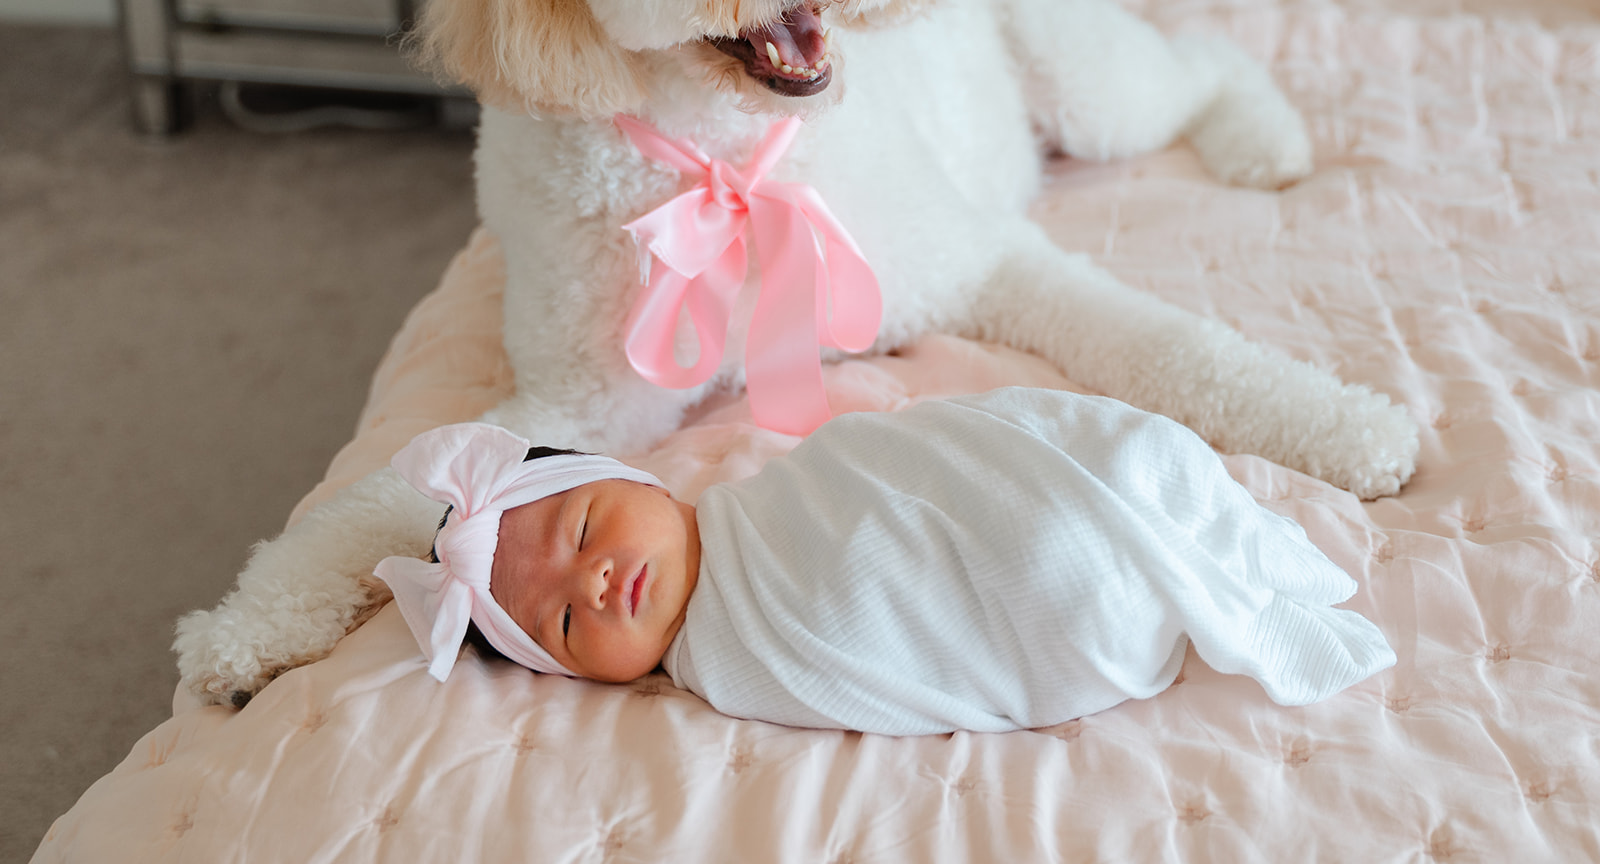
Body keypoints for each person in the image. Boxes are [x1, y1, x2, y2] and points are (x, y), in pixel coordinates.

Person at [375, 388, 1394, 736]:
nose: (594, 582)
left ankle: (1155, 513)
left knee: (1103, 472)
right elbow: (867, 650)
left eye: (587, 527)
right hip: (1047, 616)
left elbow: (919, 457)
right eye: (562, 624)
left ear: (639, 480)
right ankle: (1126, 574)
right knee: (1063, 571)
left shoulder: (782, 486)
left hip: (1029, 495)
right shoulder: (727, 665)